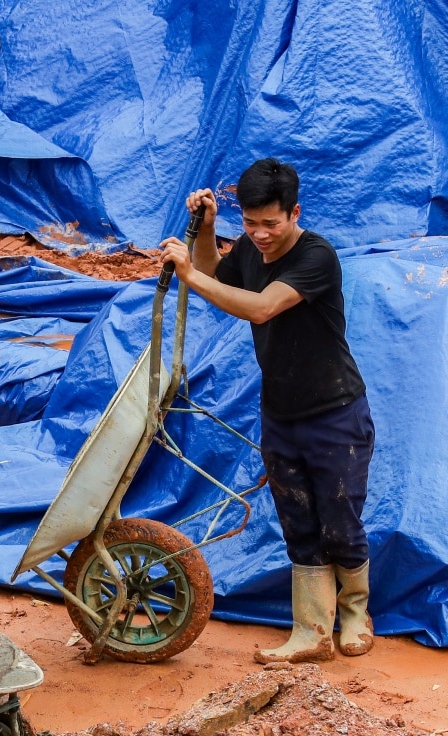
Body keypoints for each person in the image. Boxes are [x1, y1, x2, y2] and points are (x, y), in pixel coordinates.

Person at [157, 158, 375, 663]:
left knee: (339, 523)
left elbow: (259, 307)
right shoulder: (254, 250)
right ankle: (311, 633)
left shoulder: (316, 256)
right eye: (249, 223)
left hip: (336, 413)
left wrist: (187, 273)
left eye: (270, 224)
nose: (259, 234)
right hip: (281, 412)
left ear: (293, 212)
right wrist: (208, 232)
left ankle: (357, 616)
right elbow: (216, 272)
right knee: (298, 521)